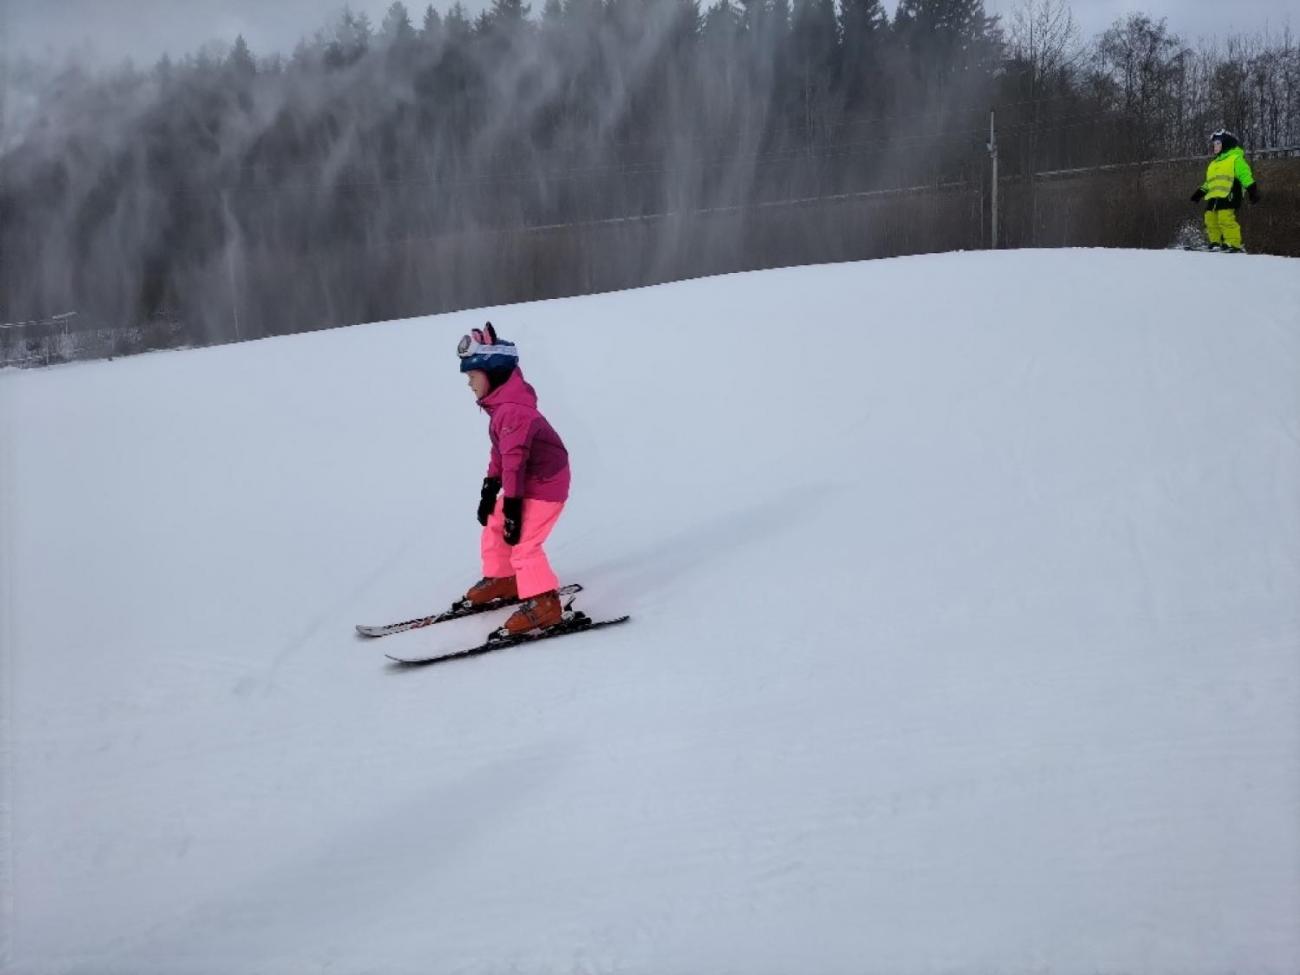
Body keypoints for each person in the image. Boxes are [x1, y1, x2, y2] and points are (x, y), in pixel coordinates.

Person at [457, 322, 571, 635]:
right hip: (528, 482)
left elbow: (516, 463)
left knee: (524, 543)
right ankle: (504, 578)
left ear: (492, 374)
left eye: (472, 377)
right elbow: (502, 454)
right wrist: (489, 490)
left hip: (547, 485)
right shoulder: (501, 409)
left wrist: (514, 507)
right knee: (496, 520)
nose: (469, 384)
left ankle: (544, 603)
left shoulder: (514, 412)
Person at [1189, 128, 1259, 253]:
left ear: (1226, 144)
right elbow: (1210, 182)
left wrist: (1252, 190)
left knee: (1225, 219)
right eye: (1214, 144)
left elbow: (1245, 175)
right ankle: (1216, 242)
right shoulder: (1214, 163)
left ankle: (1233, 244)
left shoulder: (1235, 159)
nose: (1214, 147)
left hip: (1230, 194)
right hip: (1214, 196)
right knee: (1210, 218)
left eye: (1217, 144)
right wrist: (1199, 193)